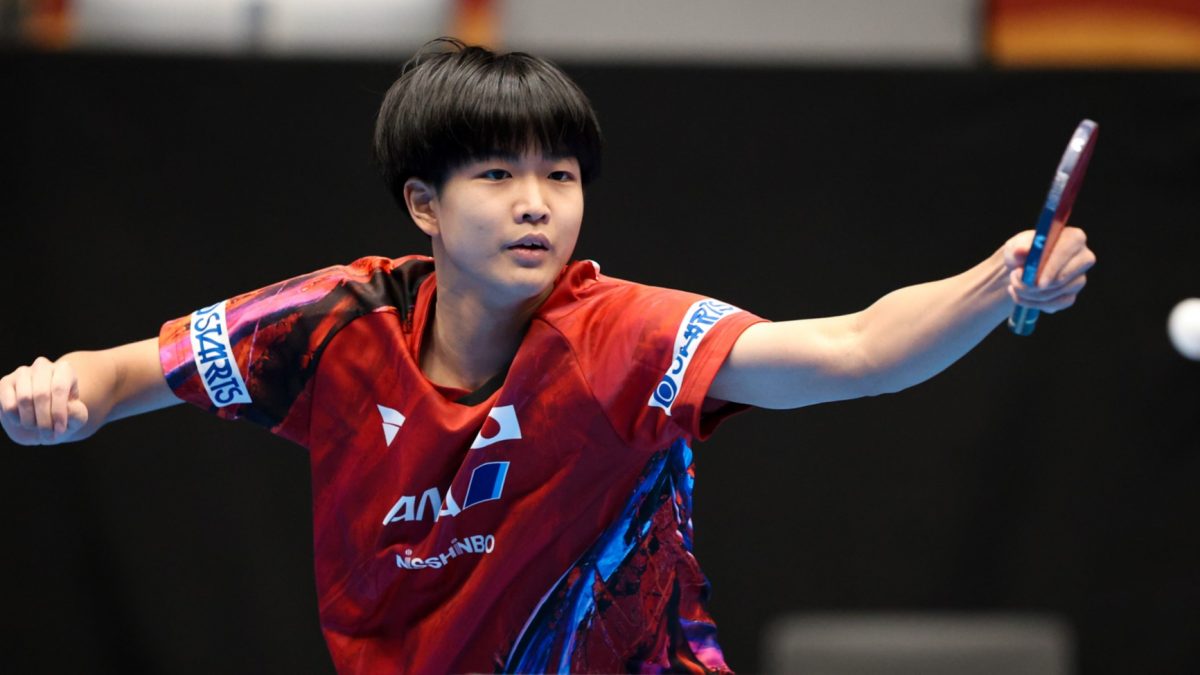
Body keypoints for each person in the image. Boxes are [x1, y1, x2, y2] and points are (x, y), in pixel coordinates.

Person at [0, 40, 1095, 674]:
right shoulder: (337, 321)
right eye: (497, 175)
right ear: (423, 204)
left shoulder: (618, 335)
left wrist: (1000, 281)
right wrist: (57, 395)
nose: (536, 204)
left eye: (560, 176)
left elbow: (856, 350)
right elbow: (120, 373)